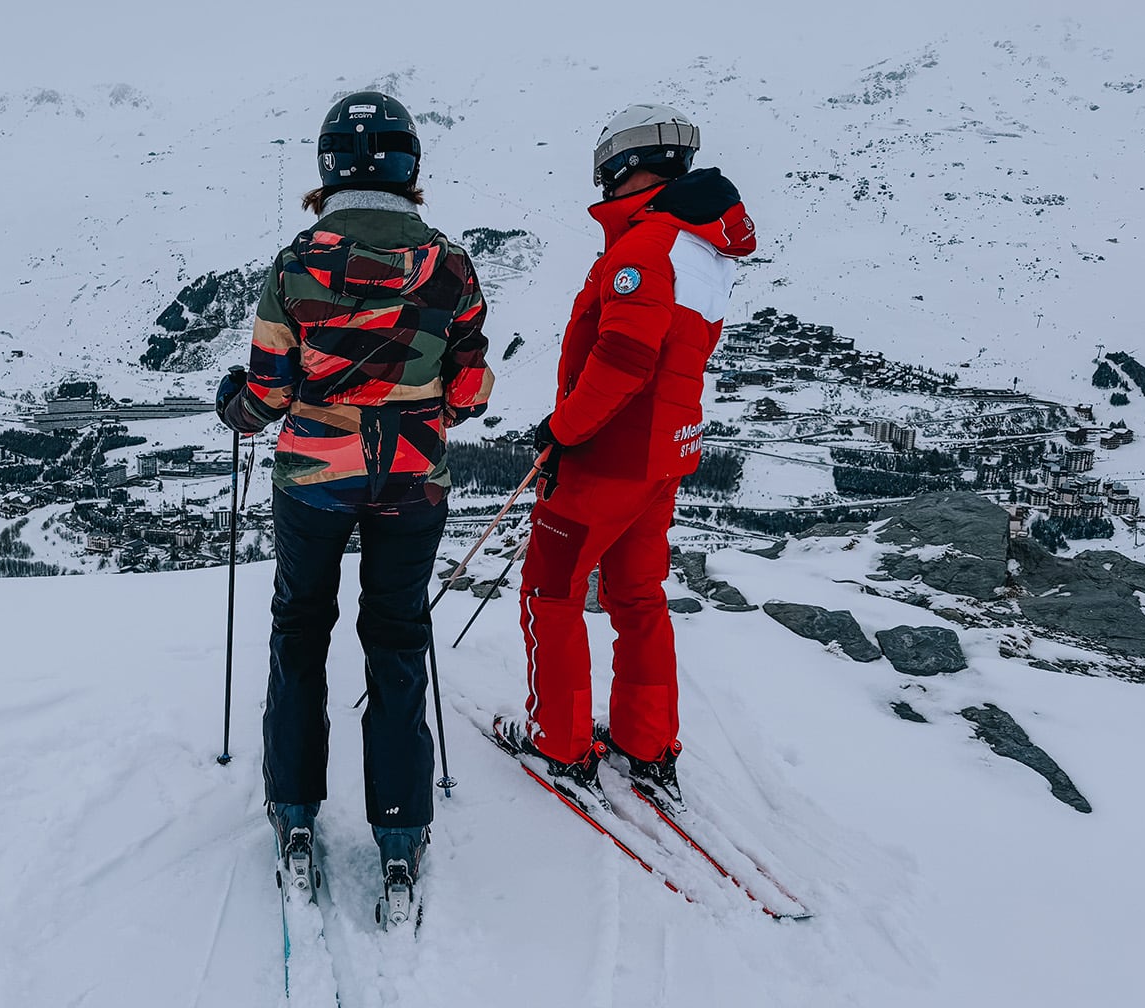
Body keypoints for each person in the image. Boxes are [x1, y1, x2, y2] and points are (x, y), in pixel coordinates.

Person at [216, 90, 493, 913]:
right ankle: (400, 835)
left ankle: (296, 814)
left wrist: (236, 403)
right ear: (410, 166)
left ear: (327, 168)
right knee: (398, 636)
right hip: (412, 478)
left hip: (314, 478)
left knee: (302, 625)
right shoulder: (450, 265)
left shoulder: (297, 264)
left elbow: (265, 397)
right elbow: (471, 391)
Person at [493, 103, 756, 807]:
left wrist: (563, 431)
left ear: (620, 168)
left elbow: (624, 359)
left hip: (608, 459)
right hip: (662, 457)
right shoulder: (696, 247)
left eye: (605, 174)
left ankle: (560, 743)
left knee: (549, 591)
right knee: (637, 598)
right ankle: (646, 743)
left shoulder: (643, 248)